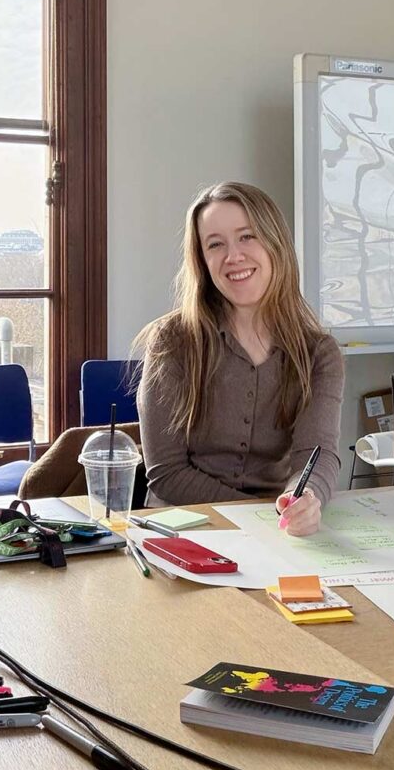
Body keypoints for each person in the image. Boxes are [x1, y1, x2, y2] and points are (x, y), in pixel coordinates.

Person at [136, 181, 343, 536]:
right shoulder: (171, 341)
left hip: (277, 526)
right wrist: (255, 517)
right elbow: (167, 472)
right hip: (183, 528)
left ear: (275, 243)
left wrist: (307, 497)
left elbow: (317, 453)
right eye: (215, 244)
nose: (233, 256)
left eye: (247, 236)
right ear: (202, 261)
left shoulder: (319, 353)